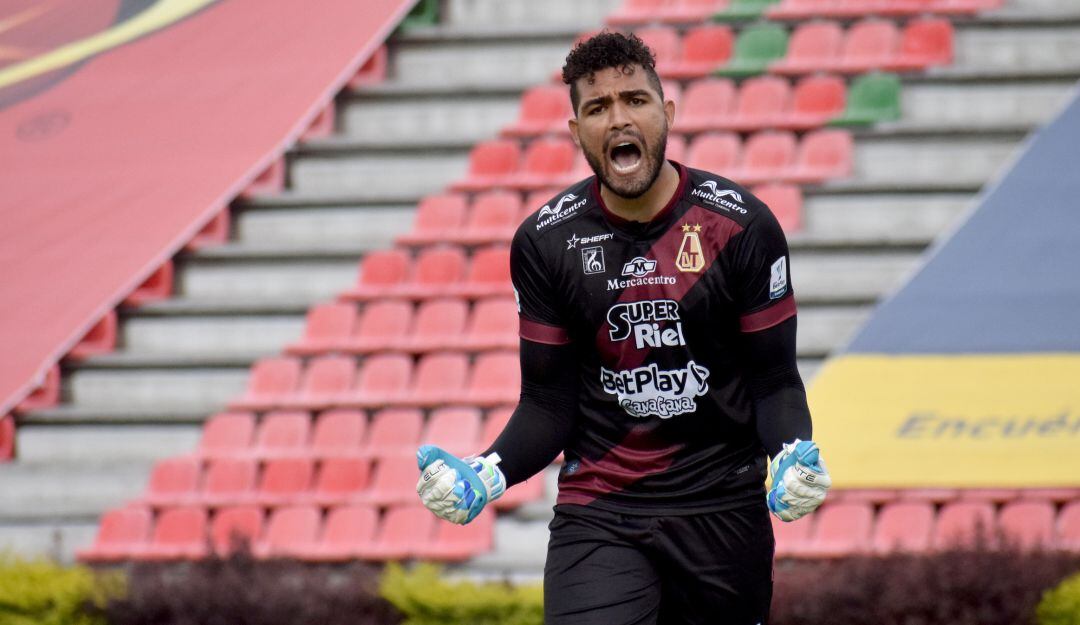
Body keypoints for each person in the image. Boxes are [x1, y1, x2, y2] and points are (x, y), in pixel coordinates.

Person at [416, 31, 831, 625]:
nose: (618, 119)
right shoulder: (546, 241)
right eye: (597, 107)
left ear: (666, 114)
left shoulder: (741, 226)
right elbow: (547, 401)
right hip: (602, 510)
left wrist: (793, 453)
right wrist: (488, 472)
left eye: (634, 100)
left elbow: (775, 382)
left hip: (723, 507)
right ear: (575, 130)